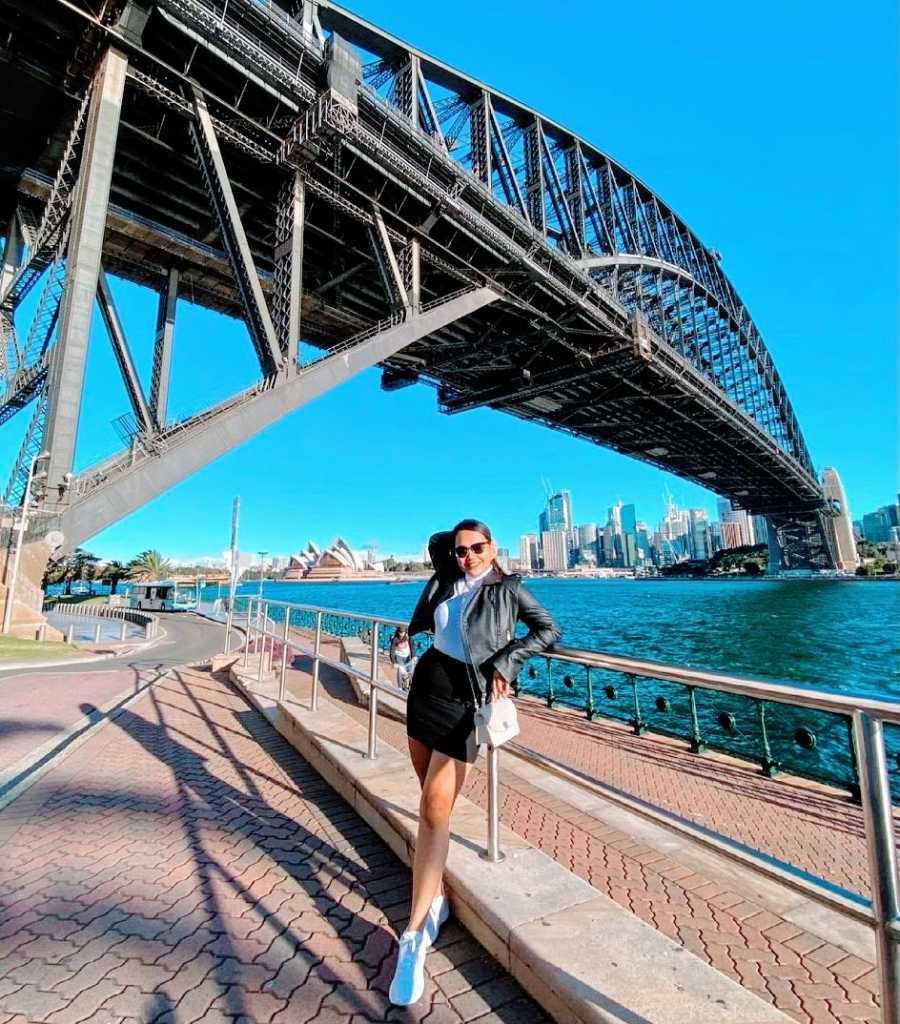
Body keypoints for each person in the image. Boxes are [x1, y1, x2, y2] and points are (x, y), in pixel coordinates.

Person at [388, 518, 559, 1005]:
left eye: (477, 548)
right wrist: (407, 636)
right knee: (428, 807)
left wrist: (508, 662)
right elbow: (436, 557)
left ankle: (415, 934)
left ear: (493, 547)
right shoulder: (446, 576)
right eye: (461, 550)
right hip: (427, 689)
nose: (468, 557)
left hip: (467, 702)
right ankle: (435, 897)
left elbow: (548, 631)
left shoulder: (509, 589)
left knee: (435, 810)